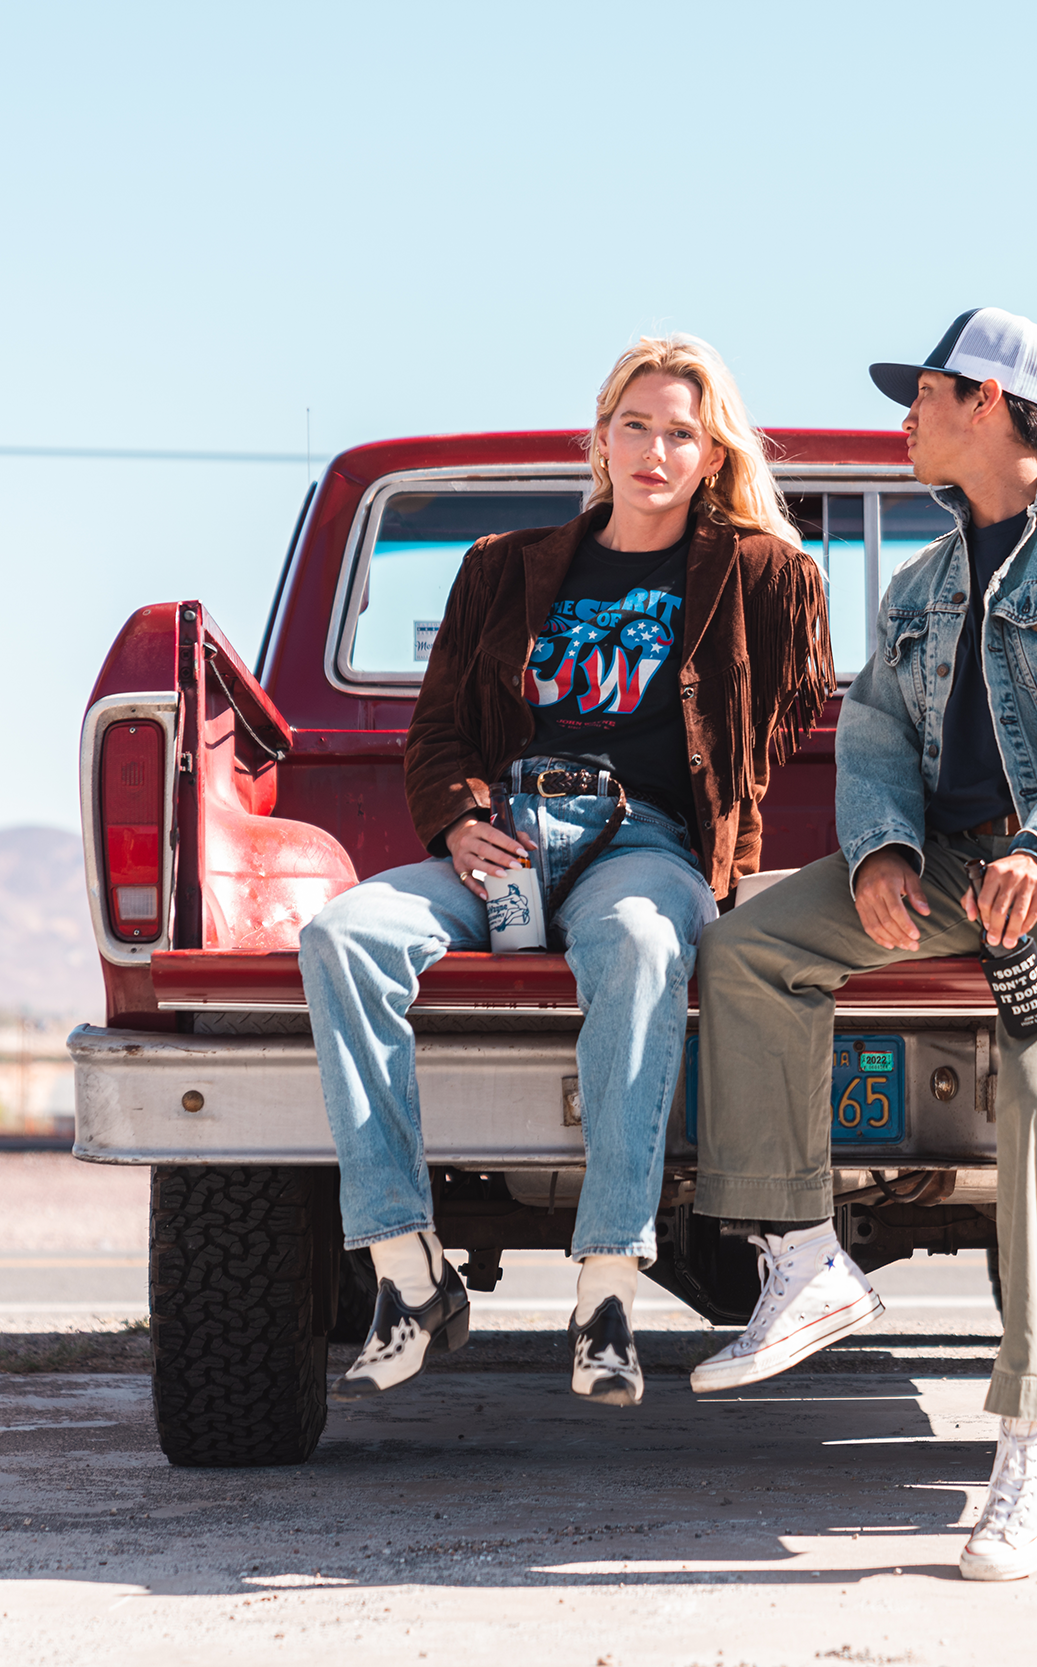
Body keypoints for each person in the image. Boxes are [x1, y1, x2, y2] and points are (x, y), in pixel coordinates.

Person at [686, 308, 1037, 1579]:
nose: (899, 418)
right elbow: (873, 742)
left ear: (990, 404)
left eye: (920, 395)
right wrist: (885, 852)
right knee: (750, 948)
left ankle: (1031, 1437)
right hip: (963, 869)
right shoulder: (923, 581)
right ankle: (803, 1260)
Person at [298, 335, 832, 1408]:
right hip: (507, 829)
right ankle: (408, 1270)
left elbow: (784, 715)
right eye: (634, 425)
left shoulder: (760, 573)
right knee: (340, 935)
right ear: (600, 436)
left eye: (681, 431)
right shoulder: (504, 566)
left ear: (711, 451)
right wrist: (457, 819)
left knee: (639, 941)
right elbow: (439, 728)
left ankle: (606, 1288)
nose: (653, 447)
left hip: (644, 845)